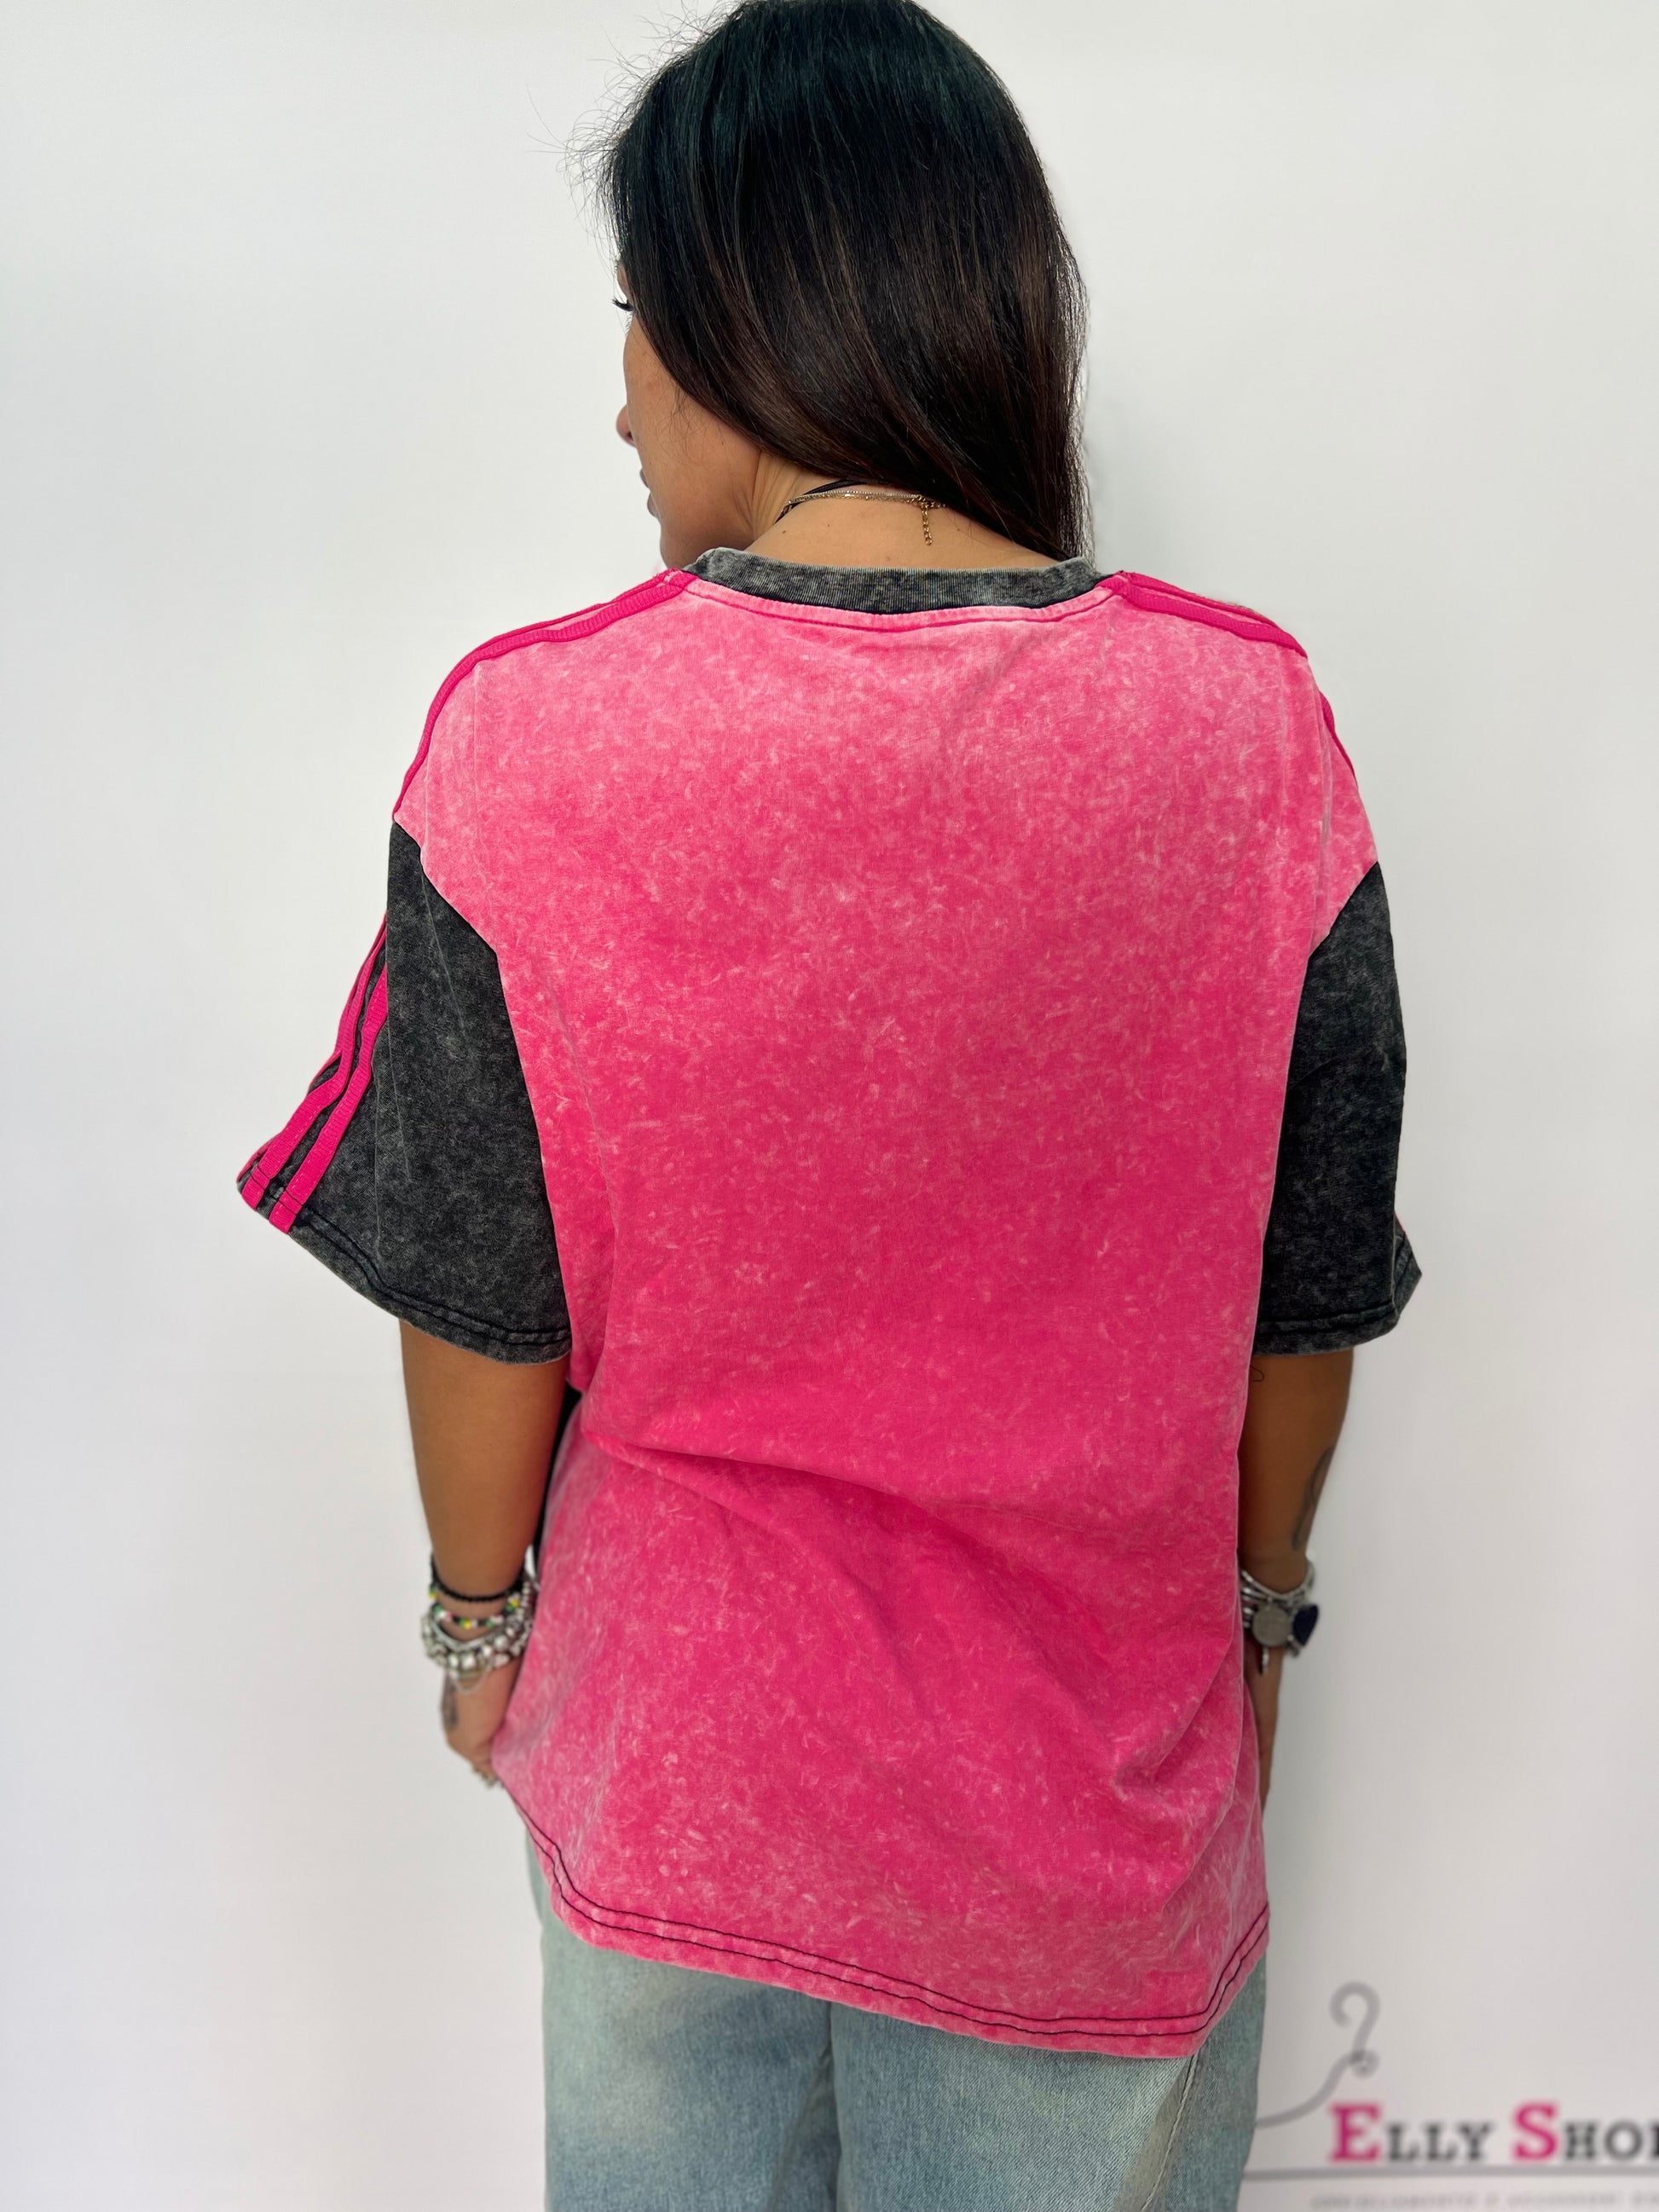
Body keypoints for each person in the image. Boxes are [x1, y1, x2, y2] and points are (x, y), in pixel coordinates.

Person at [238, 2, 1418, 2203]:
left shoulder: (529, 745)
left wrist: (480, 1626)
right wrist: (1261, 1618)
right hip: (1086, 1826)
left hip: (680, 1793)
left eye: (636, 317)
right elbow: (1307, 1284)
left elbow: (482, 1297)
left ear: (749, 314)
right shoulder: (1249, 736)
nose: (619, 397)